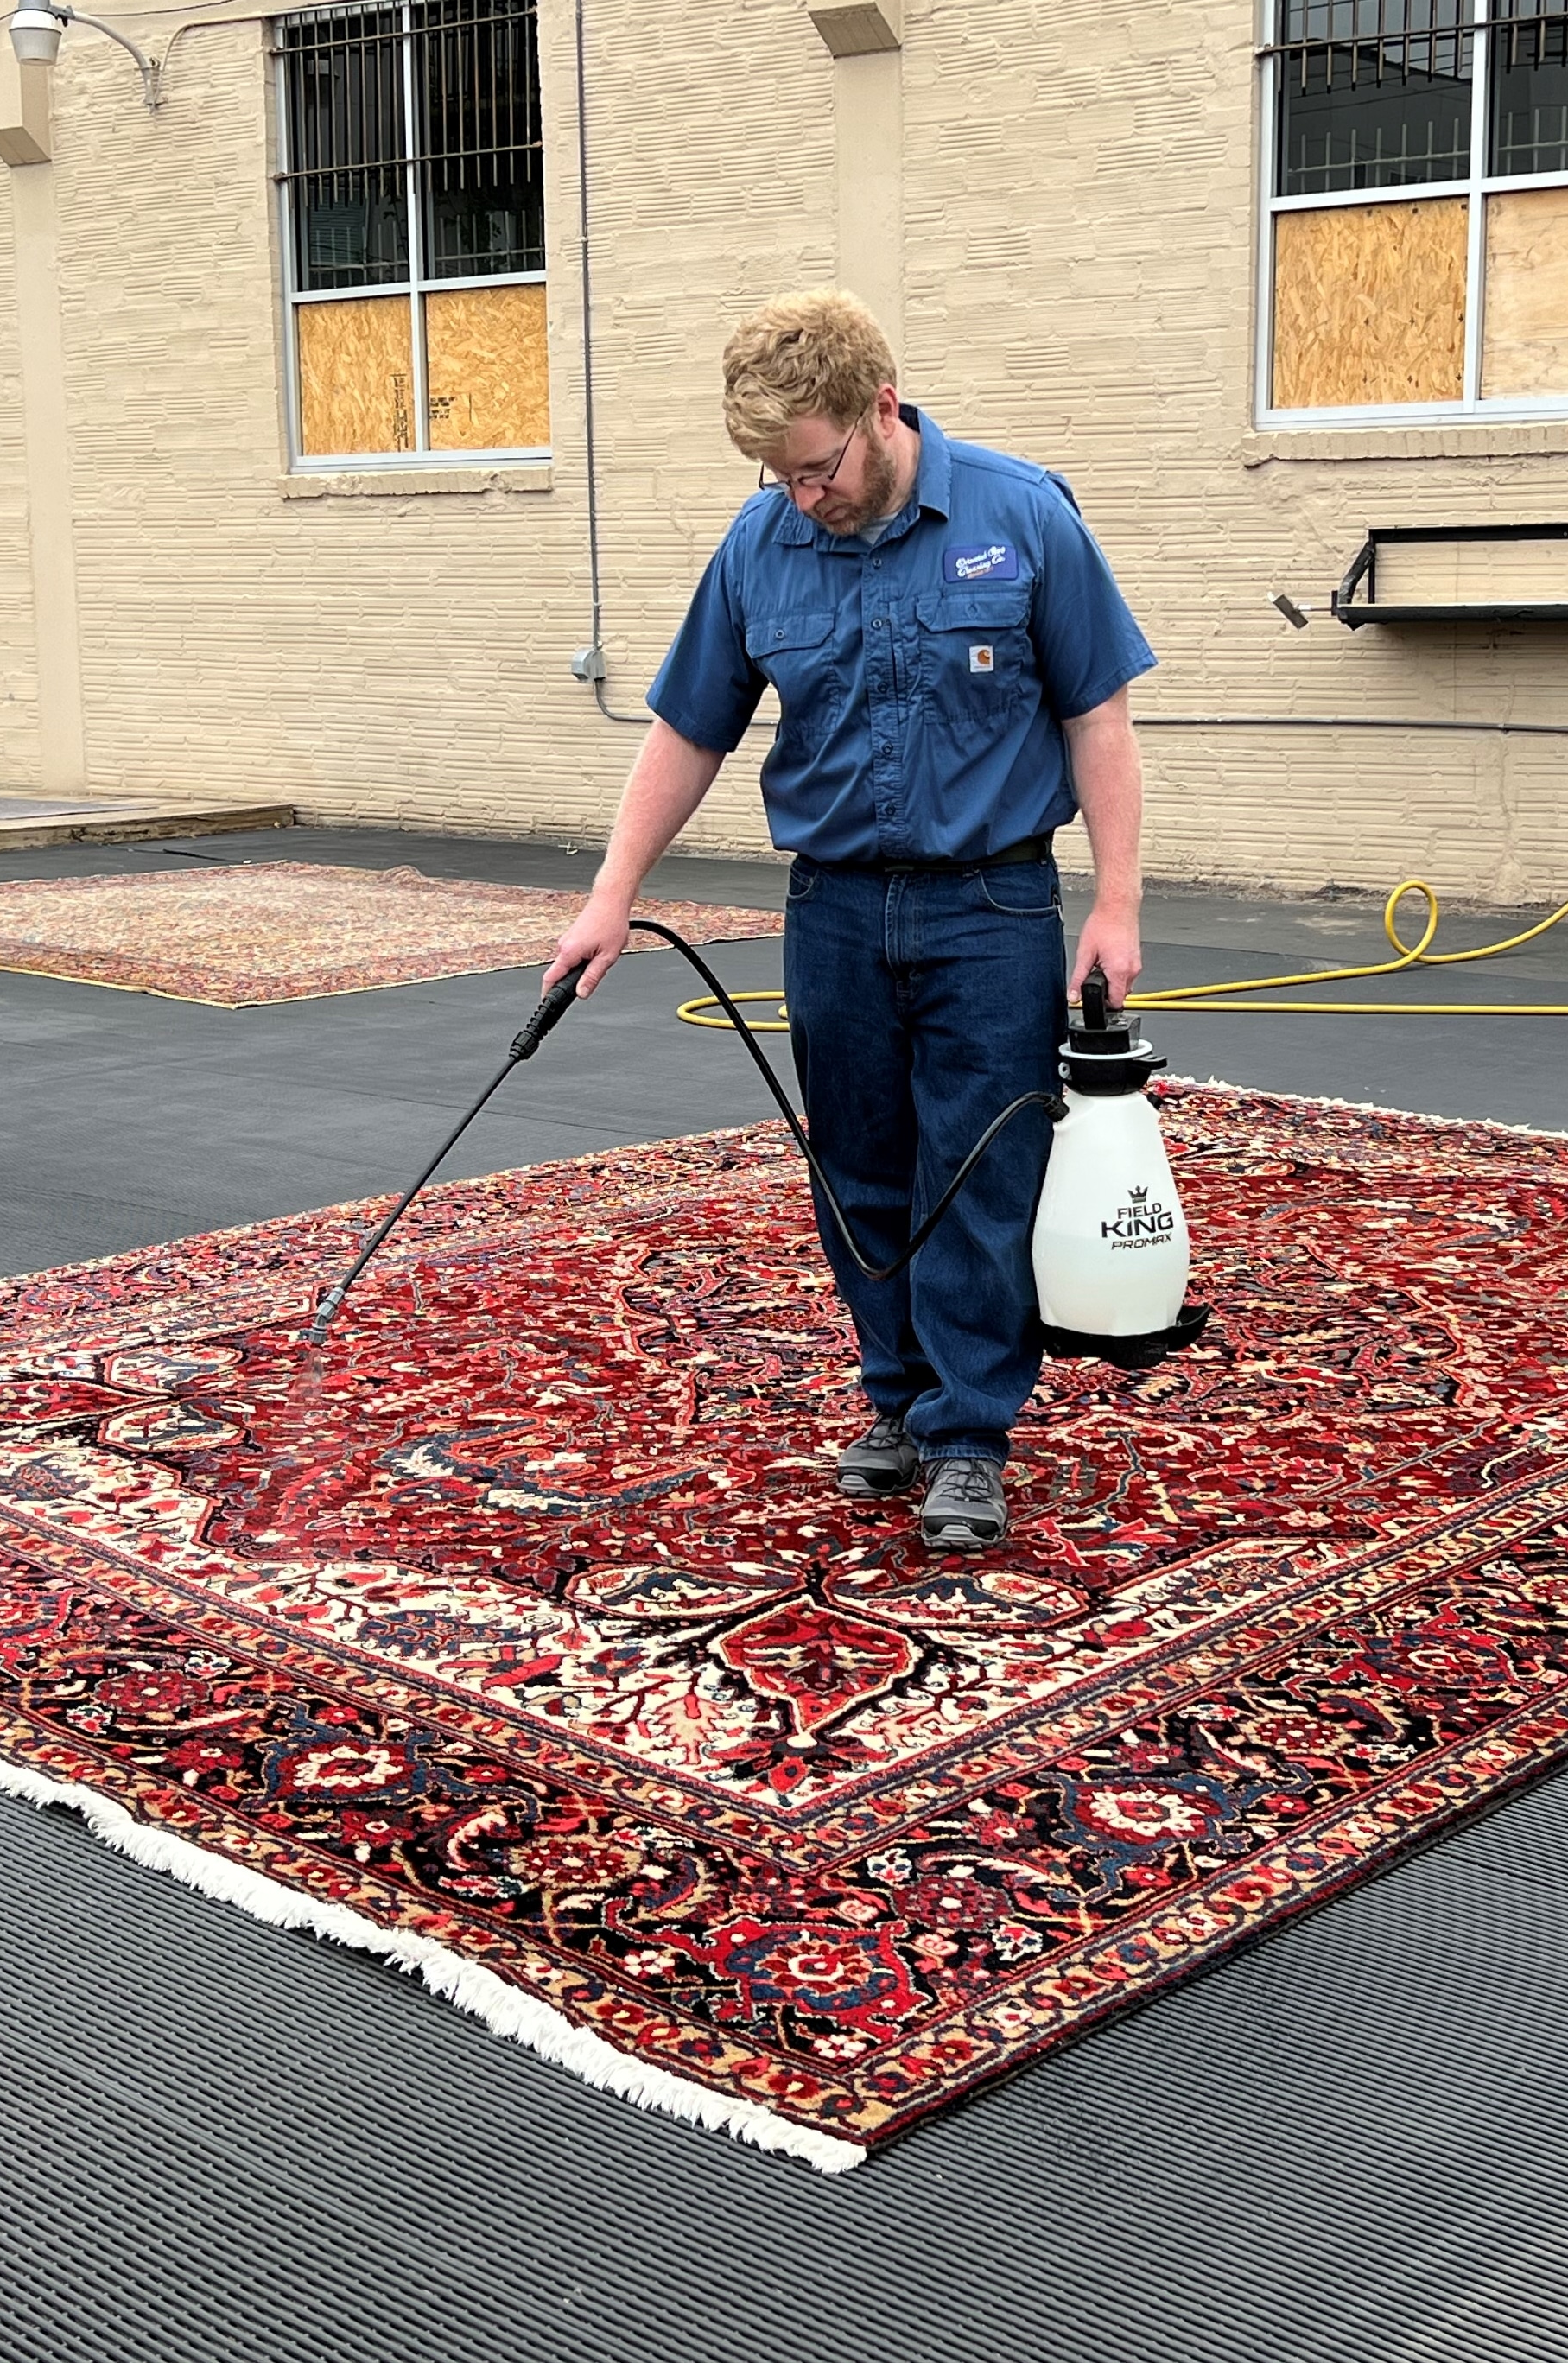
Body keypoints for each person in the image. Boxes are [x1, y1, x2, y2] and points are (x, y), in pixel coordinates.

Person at [543, 288, 1158, 1552]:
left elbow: (1099, 715)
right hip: (828, 907)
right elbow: (687, 730)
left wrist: (1116, 901)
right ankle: (899, 1398)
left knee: (980, 1165)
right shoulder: (760, 542)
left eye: (815, 467)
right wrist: (612, 897)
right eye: (777, 475)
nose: (800, 497)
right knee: (857, 1166)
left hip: (992, 901)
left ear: (882, 408)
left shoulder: (1022, 516)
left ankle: (972, 1432)